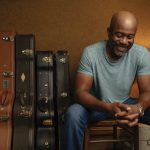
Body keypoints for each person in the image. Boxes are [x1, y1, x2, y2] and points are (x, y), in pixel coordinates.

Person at [63, 11, 150, 150]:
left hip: (126, 104)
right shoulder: (90, 53)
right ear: (109, 32)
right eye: (119, 35)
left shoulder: (142, 54)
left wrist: (137, 109)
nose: (124, 41)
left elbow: (147, 92)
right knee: (73, 114)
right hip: (97, 105)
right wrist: (107, 107)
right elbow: (80, 92)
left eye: (130, 37)